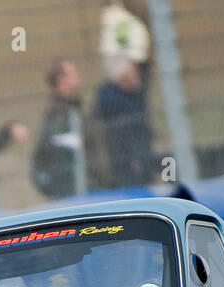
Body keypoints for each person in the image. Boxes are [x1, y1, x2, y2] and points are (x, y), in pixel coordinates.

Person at [94, 55, 154, 188]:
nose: (137, 76)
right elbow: (121, 135)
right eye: (133, 73)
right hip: (125, 163)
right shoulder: (113, 102)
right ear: (123, 77)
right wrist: (133, 158)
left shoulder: (132, 95)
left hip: (138, 157)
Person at [32, 60, 89, 198]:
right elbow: (46, 153)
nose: (78, 76)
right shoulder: (57, 114)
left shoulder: (74, 107)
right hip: (72, 191)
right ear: (61, 80)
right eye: (72, 73)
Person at [99, 1, 151, 92]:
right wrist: (126, 70)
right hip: (125, 72)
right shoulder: (118, 18)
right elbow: (121, 46)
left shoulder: (121, 18)